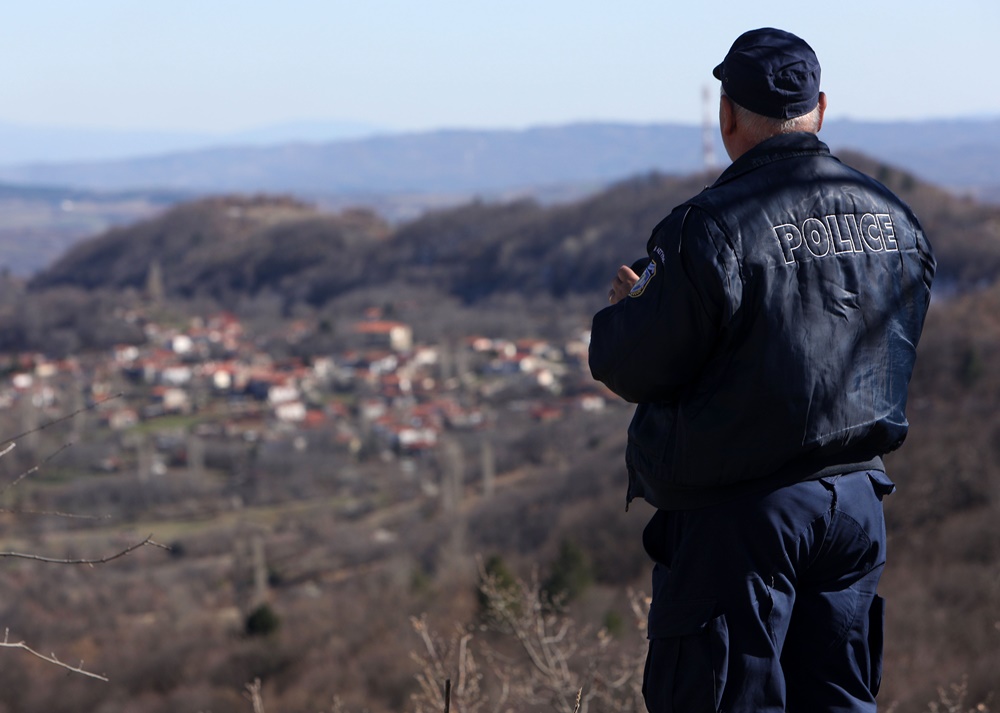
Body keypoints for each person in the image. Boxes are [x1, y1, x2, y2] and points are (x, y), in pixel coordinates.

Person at [588, 28, 935, 713]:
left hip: (742, 515)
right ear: (821, 108)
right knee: (838, 699)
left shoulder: (712, 226)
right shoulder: (897, 218)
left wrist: (633, 306)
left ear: (726, 115)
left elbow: (629, 364)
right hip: (858, 503)